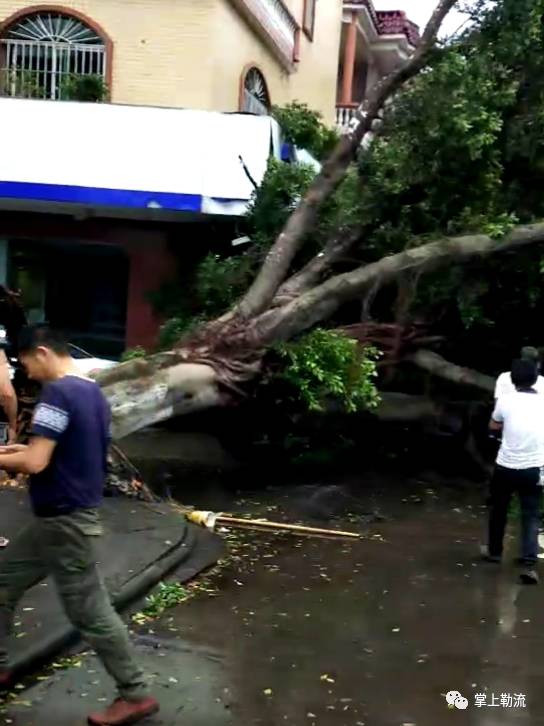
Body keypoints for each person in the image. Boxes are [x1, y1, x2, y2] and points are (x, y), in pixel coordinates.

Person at [0, 325, 159, 726]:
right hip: (59, 519)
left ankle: (135, 693)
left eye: (25, 364)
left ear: (42, 353)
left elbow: (36, 463)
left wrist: (16, 457)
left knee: (90, 611)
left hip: (66, 523)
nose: (26, 374)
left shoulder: (57, 393)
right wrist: (12, 450)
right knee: (2, 580)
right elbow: (66, 449)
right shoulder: (91, 392)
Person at [483, 359, 544, 585]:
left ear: (512, 379)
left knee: (499, 508)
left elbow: (493, 426)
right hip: (534, 468)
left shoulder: (506, 401)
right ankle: (528, 563)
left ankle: (495, 552)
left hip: (505, 466)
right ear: (536, 379)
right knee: (530, 513)